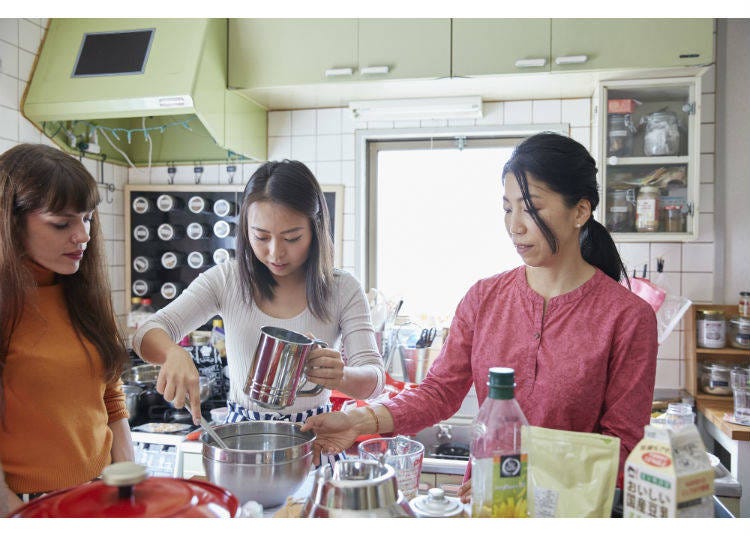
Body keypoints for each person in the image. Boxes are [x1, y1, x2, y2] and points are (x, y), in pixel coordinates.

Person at [302, 132, 658, 501]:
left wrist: (521, 482)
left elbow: (623, 447)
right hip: (485, 508)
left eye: (531, 208)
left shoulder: (628, 317)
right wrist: (356, 420)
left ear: (580, 211)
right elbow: (438, 393)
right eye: (508, 208)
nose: (515, 225)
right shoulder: (485, 298)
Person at [133, 160, 384, 450]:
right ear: (245, 230)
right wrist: (172, 352)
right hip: (241, 445)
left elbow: (375, 380)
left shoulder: (342, 288)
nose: (275, 252)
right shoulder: (228, 279)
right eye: (261, 237)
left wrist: (340, 376)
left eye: (292, 237)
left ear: (315, 230)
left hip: (315, 444)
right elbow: (145, 333)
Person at [0, 144, 133, 514]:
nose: (83, 236)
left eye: (87, 218)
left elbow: (111, 396)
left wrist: (129, 486)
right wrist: (15, 514)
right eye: (62, 223)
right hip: (24, 505)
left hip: (101, 495)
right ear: (10, 221)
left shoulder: (80, 293)